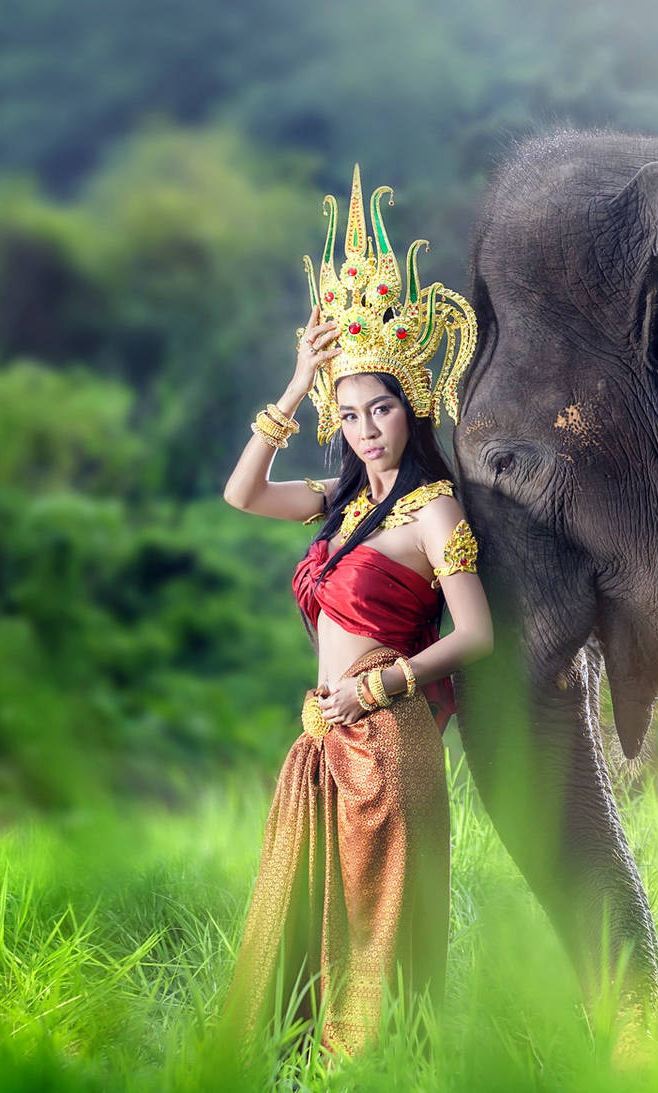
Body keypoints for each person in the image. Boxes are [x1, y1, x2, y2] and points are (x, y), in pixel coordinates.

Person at [219, 165, 490, 1056]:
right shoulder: (335, 507)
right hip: (322, 738)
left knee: (378, 941)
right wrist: (300, 381)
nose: (368, 428)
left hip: (387, 734)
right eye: (352, 414)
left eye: (382, 409)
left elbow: (477, 633)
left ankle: (382, 1072)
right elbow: (240, 493)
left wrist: (379, 690)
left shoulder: (432, 508)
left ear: (410, 411)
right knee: (311, 929)